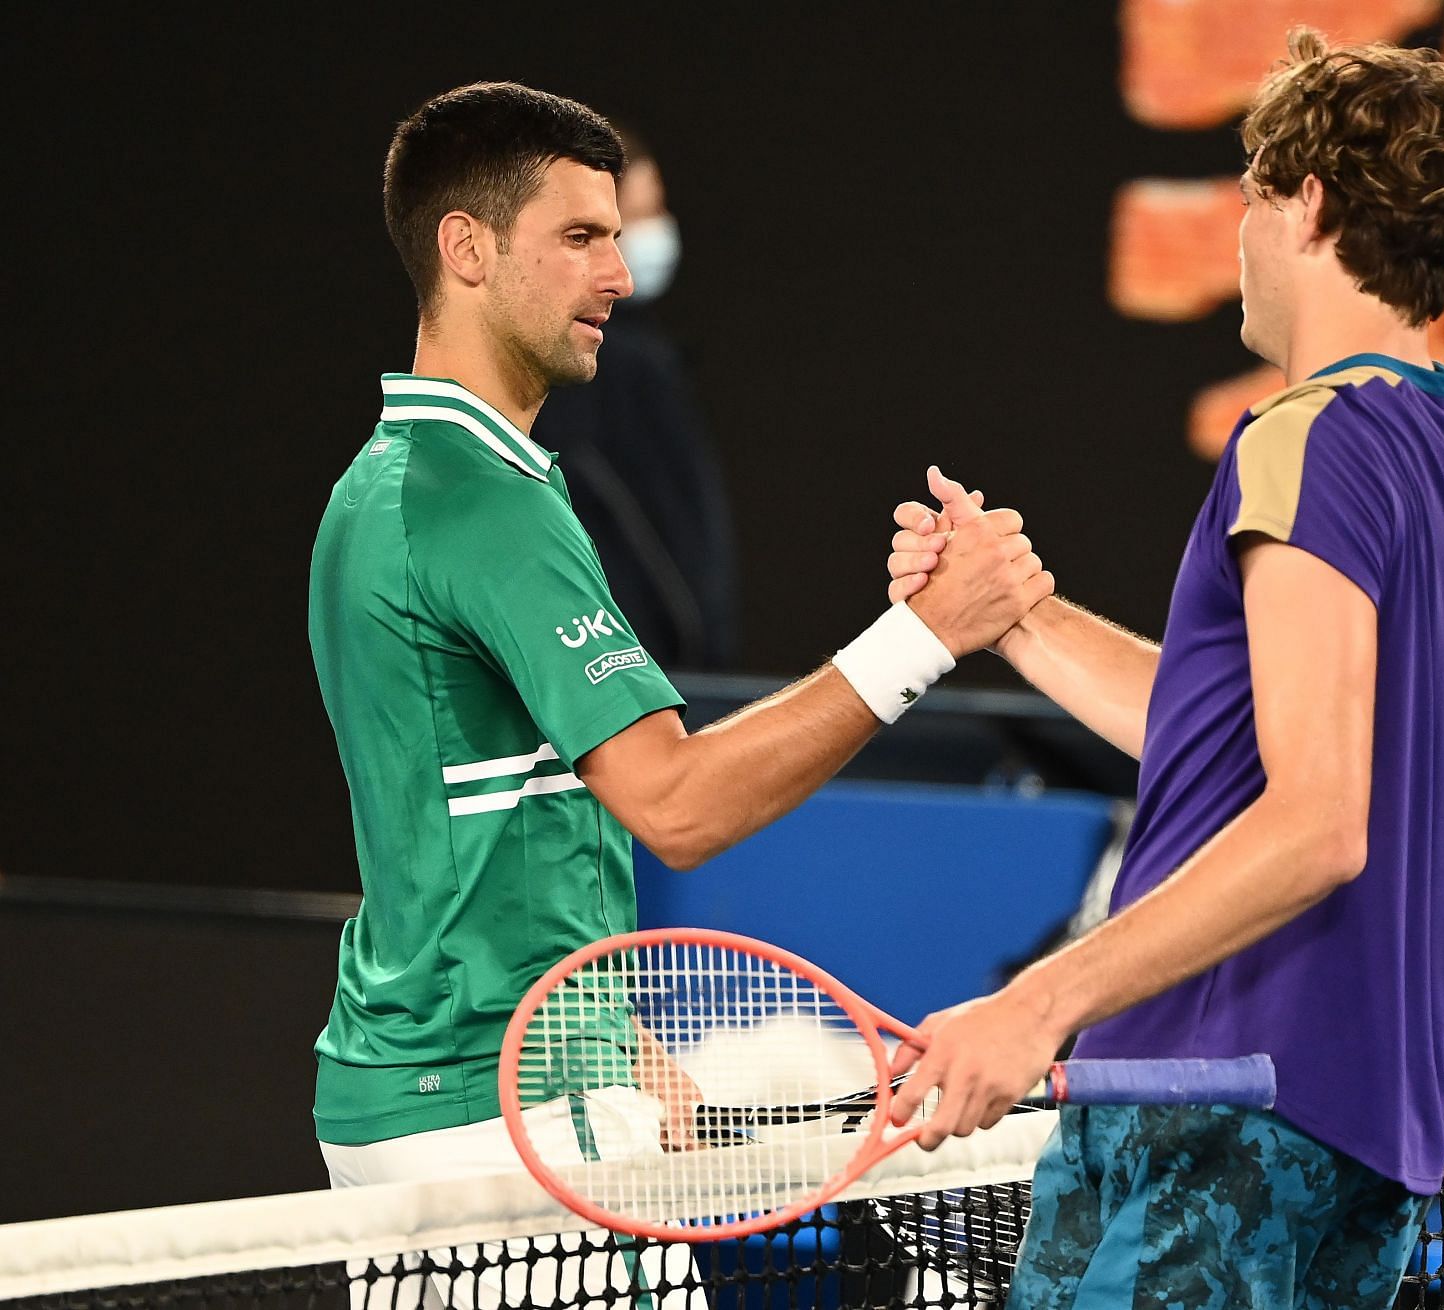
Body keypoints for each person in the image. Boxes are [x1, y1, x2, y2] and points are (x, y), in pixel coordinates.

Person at [305, 79, 1051, 1286]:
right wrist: (923, 634)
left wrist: (621, 1036)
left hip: (452, 1089)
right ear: (467, 249)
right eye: (581, 238)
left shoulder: (390, 482)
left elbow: (471, 836)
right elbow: (679, 802)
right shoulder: (482, 504)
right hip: (505, 1125)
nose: (620, 276)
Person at [883, 29, 1444, 1309]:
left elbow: (1314, 824)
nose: (1239, 226)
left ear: (1310, 205)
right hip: (1366, 1133)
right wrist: (1021, 614)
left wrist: (1035, 1005)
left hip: (1207, 1103)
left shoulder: (1306, 438)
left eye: (1252, 191)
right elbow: (1237, 746)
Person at [533, 131, 738, 670]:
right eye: (638, 215)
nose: (655, 232)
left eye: (657, 209)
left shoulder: (646, 356)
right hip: (626, 683)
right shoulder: (594, 369)